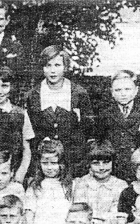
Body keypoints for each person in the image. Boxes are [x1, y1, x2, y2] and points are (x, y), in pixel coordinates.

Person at [25, 45, 94, 176]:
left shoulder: (79, 93)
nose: (52, 71)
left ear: (65, 67)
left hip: (74, 163)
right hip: (44, 164)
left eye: (57, 65)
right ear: (42, 68)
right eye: (48, 65)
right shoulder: (33, 95)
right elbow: (30, 134)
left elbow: (88, 130)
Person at [95, 70, 140, 181]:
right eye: (118, 90)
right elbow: (101, 145)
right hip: (114, 171)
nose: (123, 94)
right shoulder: (104, 115)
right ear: (112, 92)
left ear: (136, 91)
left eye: (127, 89)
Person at [72, 140, 128, 224]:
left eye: (106, 162)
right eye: (96, 163)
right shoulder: (82, 184)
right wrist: (106, 219)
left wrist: (98, 218)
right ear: (89, 164)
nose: (102, 168)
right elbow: (81, 212)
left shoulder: (120, 186)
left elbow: (118, 217)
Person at [24, 139, 73, 224]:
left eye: (54, 163)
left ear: (62, 163)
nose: (49, 167)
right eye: (45, 163)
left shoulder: (70, 186)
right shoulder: (35, 187)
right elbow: (28, 218)